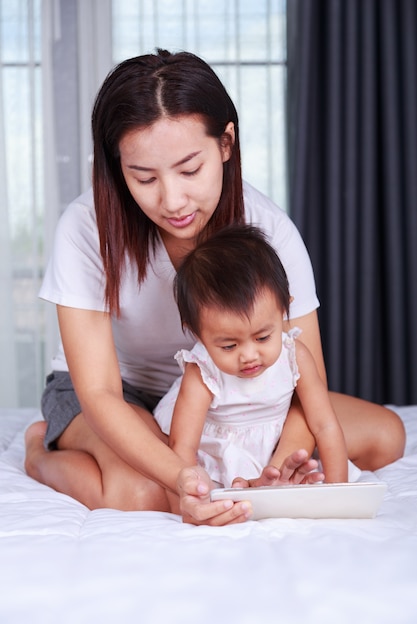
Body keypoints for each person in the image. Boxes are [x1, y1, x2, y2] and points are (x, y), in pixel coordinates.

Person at [24, 49, 405, 525]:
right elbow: (99, 392)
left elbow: (306, 378)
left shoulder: (269, 230)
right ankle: (39, 451)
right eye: (143, 178)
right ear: (117, 166)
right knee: (144, 492)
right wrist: (183, 478)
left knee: (386, 435)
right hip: (118, 393)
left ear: (226, 143)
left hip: (233, 391)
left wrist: (277, 470)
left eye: (189, 170)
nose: (172, 200)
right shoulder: (85, 228)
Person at [154, 224, 350, 489]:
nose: (248, 356)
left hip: (272, 444)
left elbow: (325, 425)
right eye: (228, 346)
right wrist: (194, 494)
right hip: (213, 451)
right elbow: (183, 446)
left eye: (262, 338)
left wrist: (339, 489)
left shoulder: (295, 356)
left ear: (283, 311)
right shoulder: (202, 372)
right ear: (198, 335)